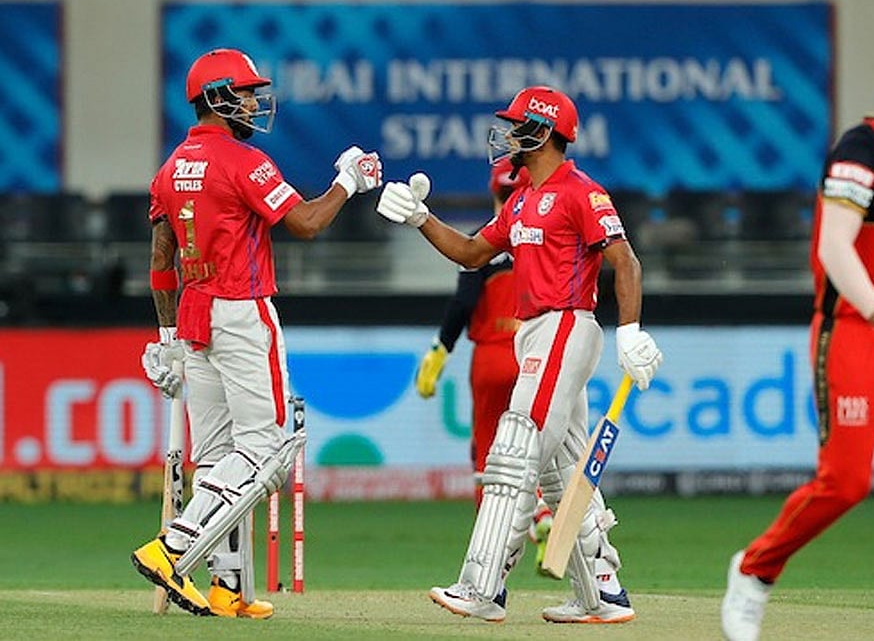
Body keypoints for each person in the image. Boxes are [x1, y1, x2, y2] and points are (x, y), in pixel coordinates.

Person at [378, 85, 663, 623]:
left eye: (517, 127)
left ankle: (482, 587)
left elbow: (625, 260)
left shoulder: (581, 192)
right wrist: (421, 218)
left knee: (515, 448)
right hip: (535, 332)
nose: (508, 136)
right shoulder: (522, 199)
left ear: (544, 132)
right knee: (562, 470)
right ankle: (601, 593)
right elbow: (471, 253)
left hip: (565, 324)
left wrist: (630, 332)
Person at [133, 47, 382, 617]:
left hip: (193, 316)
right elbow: (307, 224)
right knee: (266, 450)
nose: (252, 104)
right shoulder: (245, 161)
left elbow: (161, 260)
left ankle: (229, 587)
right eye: (245, 94)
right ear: (217, 97)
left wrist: (167, 339)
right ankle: (173, 548)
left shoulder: (170, 169)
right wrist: (347, 181)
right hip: (242, 311)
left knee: (218, 456)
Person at [720, 47, 874, 641]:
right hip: (856, 333)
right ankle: (754, 569)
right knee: (846, 483)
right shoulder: (859, 151)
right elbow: (834, 248)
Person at [415, 158, 555, 574]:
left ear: (494, 192)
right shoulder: (544, 236)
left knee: (488, 451)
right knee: (535, 449)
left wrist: (440, 350)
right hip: (536, 352)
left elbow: (463, 302)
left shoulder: (483, 239)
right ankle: (542, 514)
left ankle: (488, 555)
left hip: (491, 357)